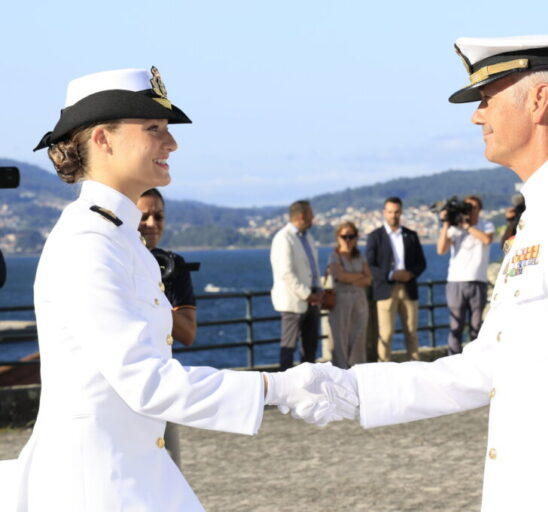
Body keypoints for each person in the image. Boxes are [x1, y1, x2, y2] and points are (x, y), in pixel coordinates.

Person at [316, 35, 548, 511]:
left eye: (486, 99)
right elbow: (484, 367)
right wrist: (340, 391)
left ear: (540, 100)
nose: (477, 115)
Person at [0, 67, 355, 512]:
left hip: (136, 473)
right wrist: (276, 388)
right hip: (95, 485)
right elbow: (146, 382)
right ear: (102, 140)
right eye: (153, 129)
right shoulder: (88, 242)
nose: (172, 144)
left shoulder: (118, 235)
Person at [138, 187, 197, 468]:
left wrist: (152, 294)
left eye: (158, 216)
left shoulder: (173, 267)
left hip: (159, 383)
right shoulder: (112, 263)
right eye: (143, 216)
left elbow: (187, 333)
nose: (152, 224)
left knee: (169, 467)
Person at [365, 197, 427, 361]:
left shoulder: (411, 235)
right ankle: (382, 370)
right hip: (386, 290)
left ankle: (416, 368)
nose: (394, 215)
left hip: (408, 288)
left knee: (412, 332)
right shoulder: (374, 237)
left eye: (397, 212)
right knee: (385, 334)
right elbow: (370, 265)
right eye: (390, 212)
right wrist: (390, 274)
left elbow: (421, 263)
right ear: (384, 213)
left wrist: (410, 274)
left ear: (401, 212)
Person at [436, 195, 494, 354]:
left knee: (477, 325)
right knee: (455, 325)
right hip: (456, 281)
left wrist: (468, 227)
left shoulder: (486, 225)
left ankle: (478, 359)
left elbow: (487, 240)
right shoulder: (455, 228)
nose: (469, 210)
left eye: (473, 207)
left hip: (478, 280)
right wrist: (446, 222)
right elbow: (441, 250)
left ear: (479, 210)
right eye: (466, 206)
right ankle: (453, 359)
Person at [270, 200, 324, 371]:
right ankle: (283, 390)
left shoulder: (307, 237)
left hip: (312, 300)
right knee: (289, 347)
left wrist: (319, 291)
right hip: (294, 302)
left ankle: (309, 385)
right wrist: (307, 294)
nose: (313, 218)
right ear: (301, 216)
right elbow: (286, 273)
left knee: (310, 348)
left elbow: (312, 267)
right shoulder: (284, 238)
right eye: (310, 214)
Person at [327, 222, 372, 369]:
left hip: (359, 301)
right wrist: (359, 276)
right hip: (341, 302)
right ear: (338, 237)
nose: (348, 240)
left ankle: (358, 371)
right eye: (344, 236)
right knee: (340, 339)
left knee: (359, 337)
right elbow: (339, 276)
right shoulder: (334, 256)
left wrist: (349, 277)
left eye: (351, 236)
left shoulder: (360, 257)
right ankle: (341, 371)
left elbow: (369, 279)